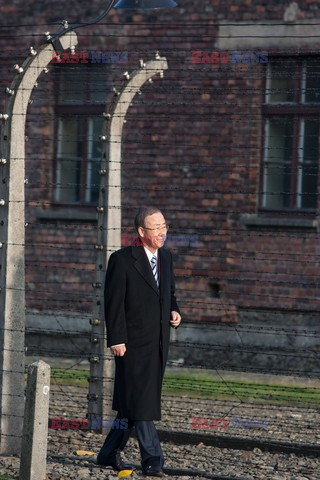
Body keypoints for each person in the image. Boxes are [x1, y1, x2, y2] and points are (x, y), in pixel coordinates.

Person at [97, 206, 182, 477]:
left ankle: (108, 453)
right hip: (130, 344)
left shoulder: (166, 258)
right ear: (141, 232)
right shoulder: (122, 260)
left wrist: (175, 310)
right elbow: (113, 304)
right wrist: (117, 338)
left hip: (157, 343)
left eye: (164, 226)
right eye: (155, 227)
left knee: (131, 403)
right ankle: (153, 460)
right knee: (142, 402)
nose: (162, 232)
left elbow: (168, 293)